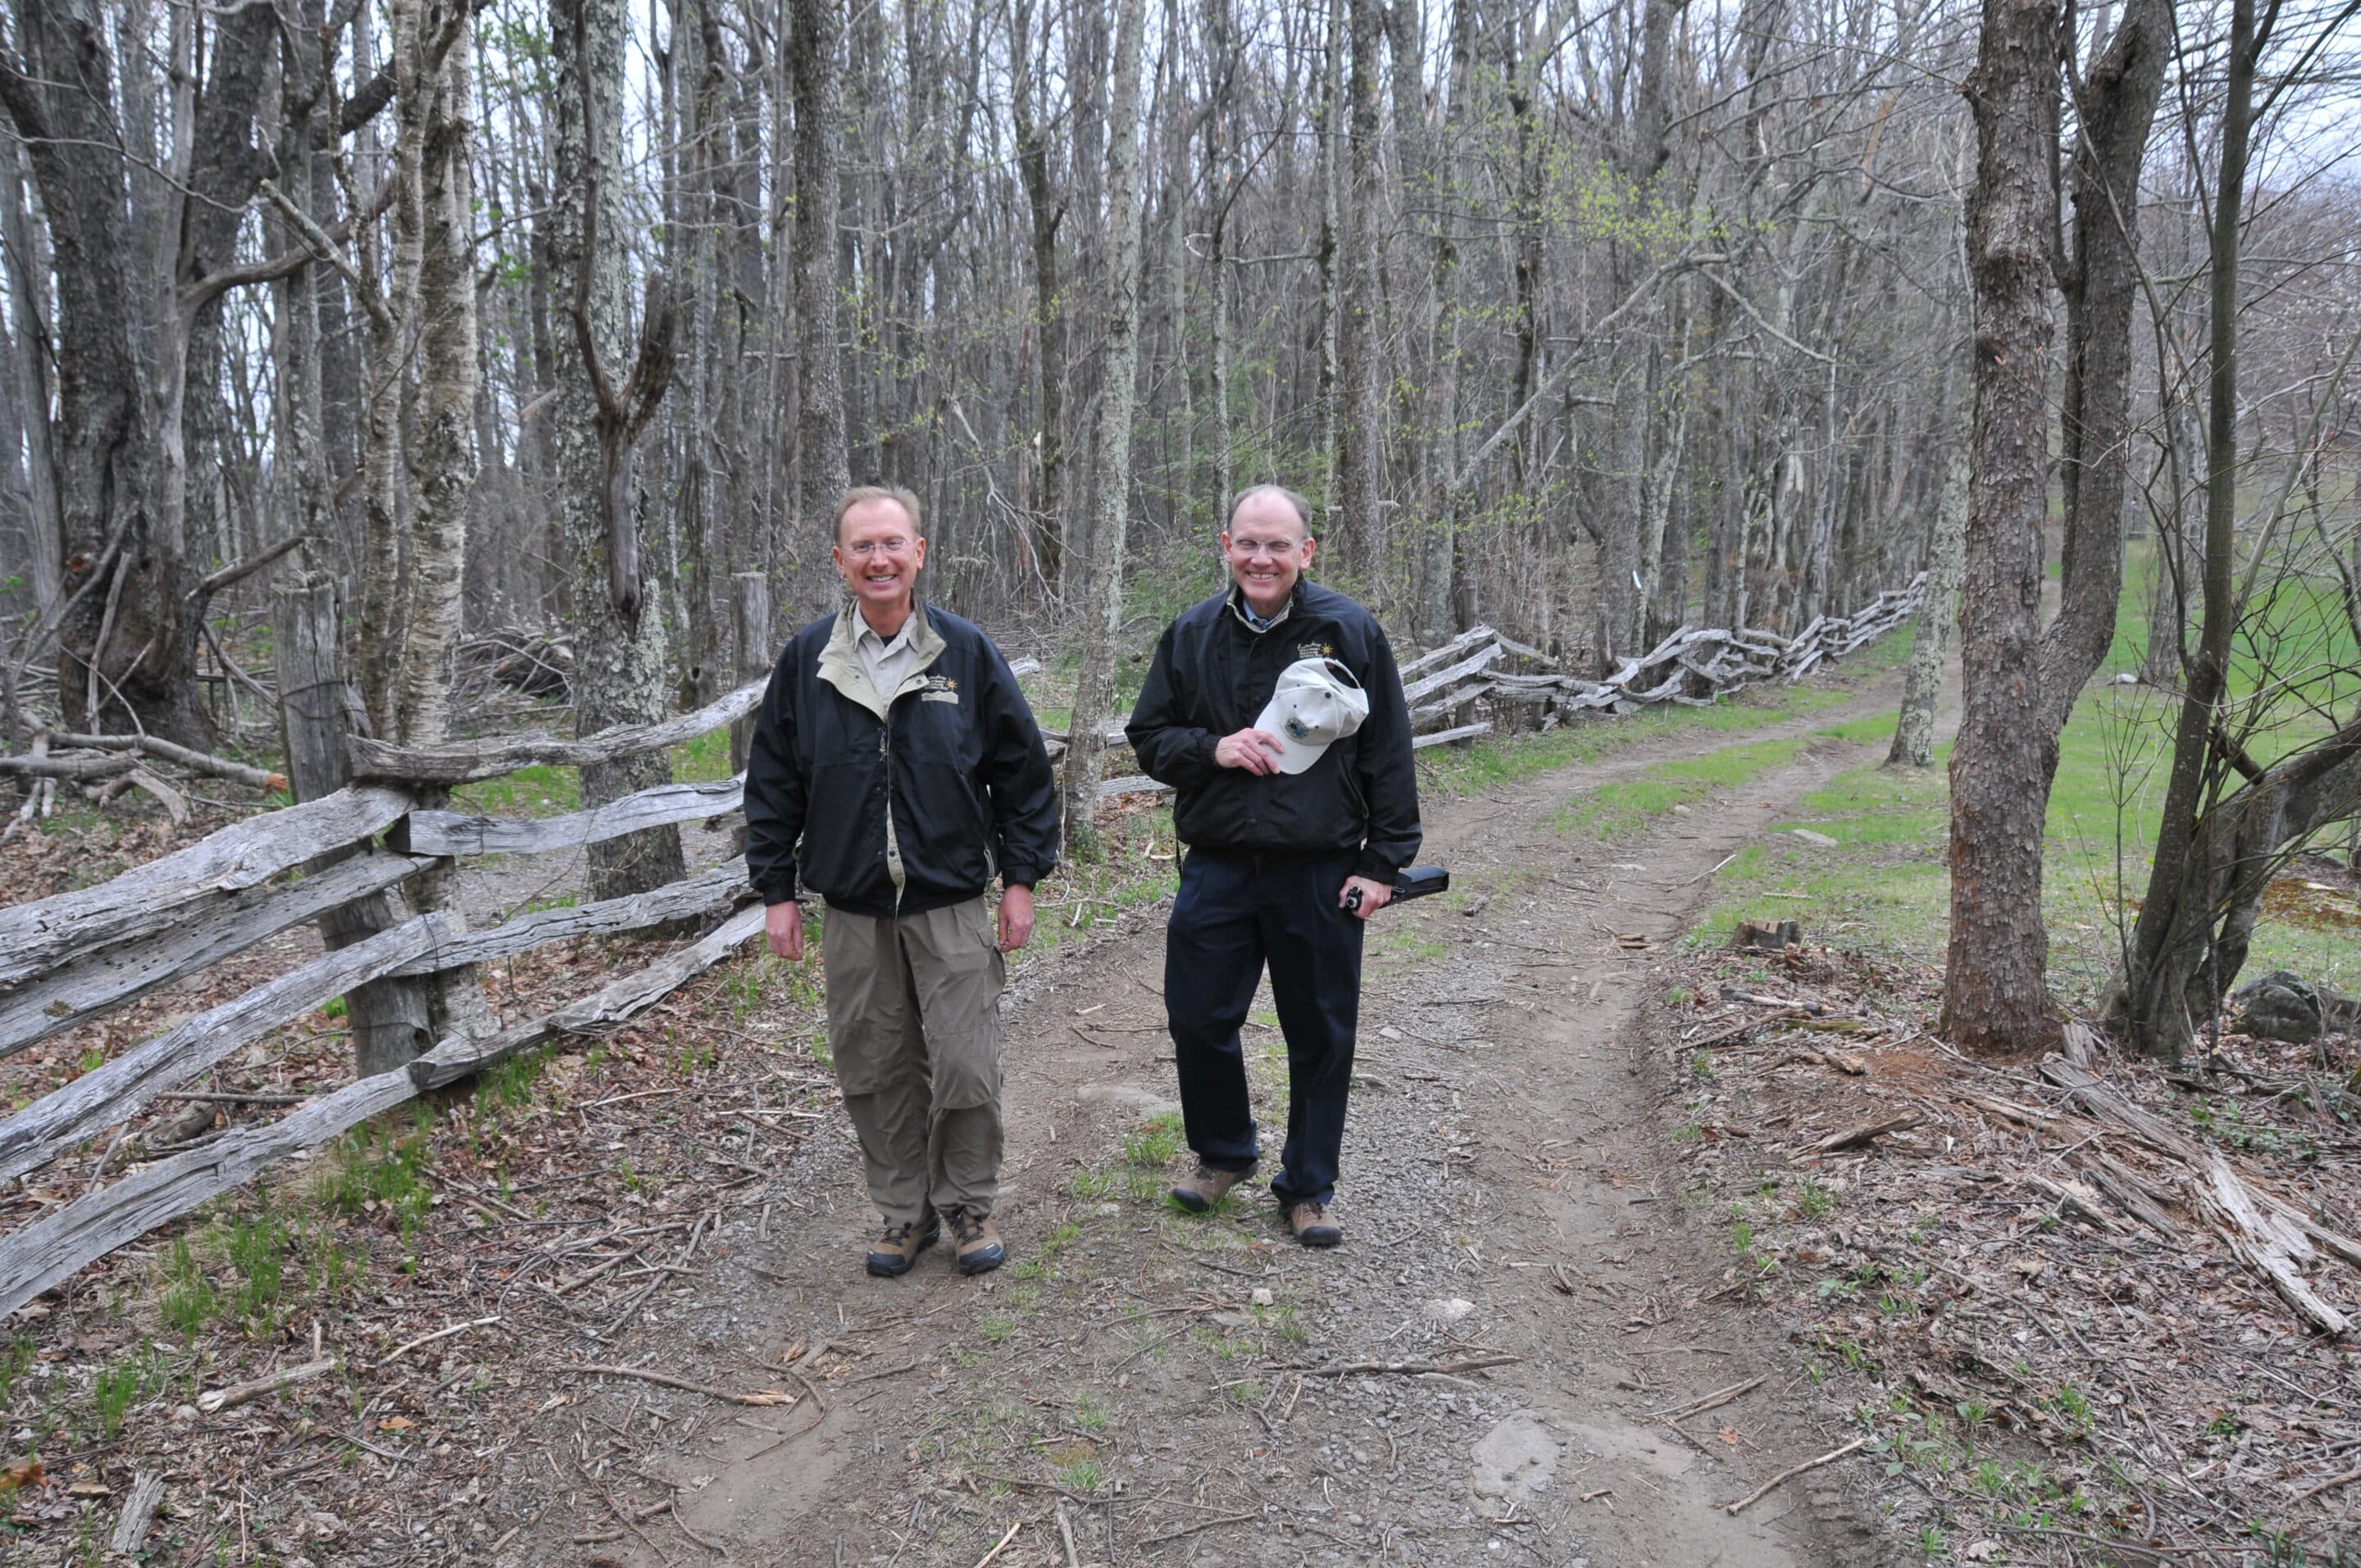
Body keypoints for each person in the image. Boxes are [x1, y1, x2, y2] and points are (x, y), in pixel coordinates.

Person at [744, 485, 1059, 1278]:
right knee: (876, 1067)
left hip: (949, 900)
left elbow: (1022, 773)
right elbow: (774, 781)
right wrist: (777, 890)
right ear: (841, 561)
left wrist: (1021, 878)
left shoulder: (966, 652)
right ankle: (902, 1213)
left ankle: (966, 1207)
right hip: (852, 907)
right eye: (863, 547)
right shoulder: (810, 660)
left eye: (893, 543)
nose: (879, 559)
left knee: (964, 1061)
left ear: (919, 552)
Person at [1125, 484, 1422, 1248]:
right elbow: (1150, 735)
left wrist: (1383, 862)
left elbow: (1388, 751)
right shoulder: (1192, 634)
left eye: (1277, 545)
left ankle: (1308, 1187)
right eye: (1248, 543)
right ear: (1225, 546)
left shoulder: (1348, 629)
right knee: (1198, 1017)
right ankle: (1223, 1152)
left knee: (1320, 1032)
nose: (1261, 558)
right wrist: (1212, 748)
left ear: (1305, 553)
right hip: (1219, 863)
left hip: (1320, 869)